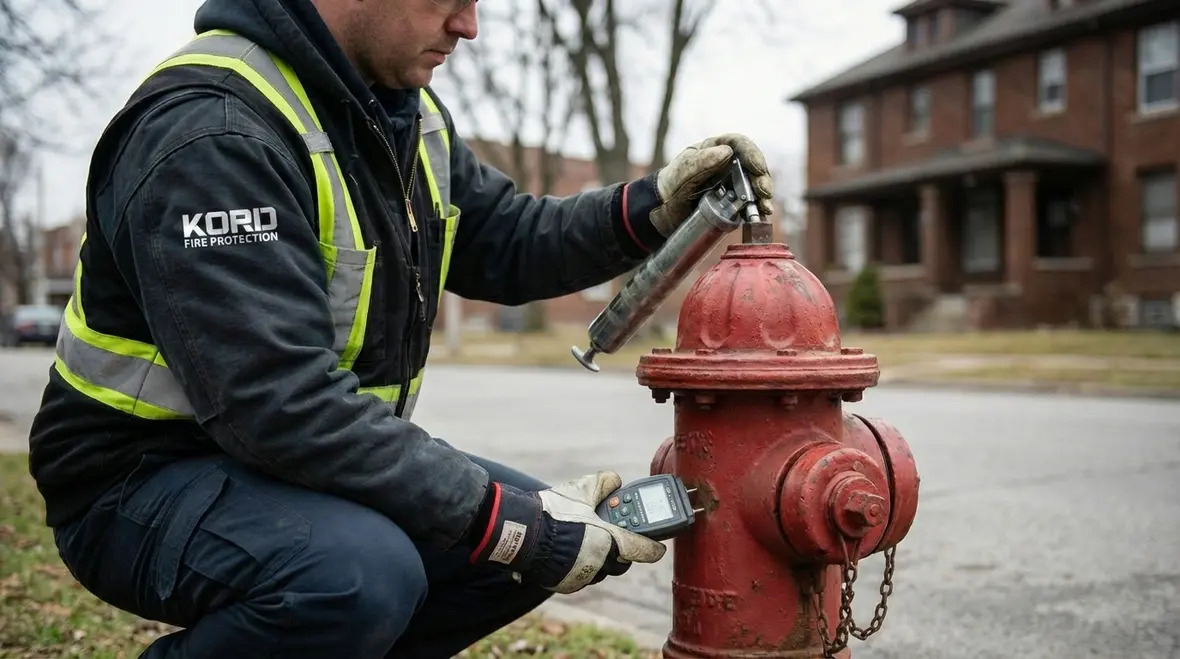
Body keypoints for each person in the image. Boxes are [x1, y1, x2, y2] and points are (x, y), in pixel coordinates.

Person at [26, 0, 775, 656]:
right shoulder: (214, 132)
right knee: (359, 576)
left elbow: (509, 241)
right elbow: (278, 401)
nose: (469, 26)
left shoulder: (398, 114)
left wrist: (652, 207)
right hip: (137, 479)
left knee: (523, 542)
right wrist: (505, 522)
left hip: (287, 460)